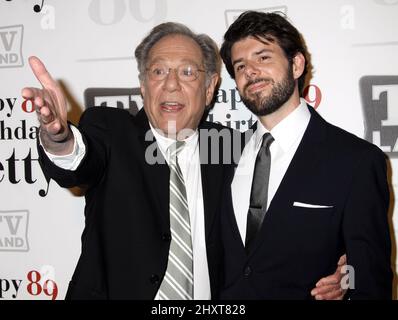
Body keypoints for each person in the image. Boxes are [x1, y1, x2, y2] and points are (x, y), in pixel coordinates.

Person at [23, 22, 345, 300]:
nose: (172, 84)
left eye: (188, 72)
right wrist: (59, 135)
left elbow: (286, 219)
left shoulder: (236, 148)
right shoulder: (110, 132)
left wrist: (342, 266)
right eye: (159, 71)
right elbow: (78, 161)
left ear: (209, 90)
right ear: (143, 85)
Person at [219, 11, 393, 299]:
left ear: (296, 64)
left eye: (263, 57)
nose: (250, 71)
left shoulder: (356, 161)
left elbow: (371, 280)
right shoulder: (221, 155)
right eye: (240, 66)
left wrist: (348, 282)